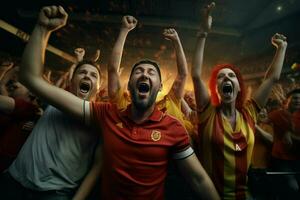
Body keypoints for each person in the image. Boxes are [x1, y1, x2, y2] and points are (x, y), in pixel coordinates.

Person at [17, 5, 220, 200]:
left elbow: (199, 179)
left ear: (159, 87)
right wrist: (42, 29)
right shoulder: (107, 114)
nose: (144, 74)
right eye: (138, 71)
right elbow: (31, 78)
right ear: (129, 85)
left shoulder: (173, 127)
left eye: (151, 73)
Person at [0, 8, 103, 200]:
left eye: (93, 75)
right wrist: (42, 29)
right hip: (12, 183)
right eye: (83, 72)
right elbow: (30, 76)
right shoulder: (55, 100)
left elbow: (98, 166)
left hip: (53, 195)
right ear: (72, 81)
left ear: (99, 86)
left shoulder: (100, 116)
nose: (87, 76)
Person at [191, 2, 287, 199]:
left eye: (231, 76)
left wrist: (281, 49)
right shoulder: (208, 112)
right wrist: (202, 33)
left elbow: (272, 78)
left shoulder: (249, 112)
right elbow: (196, 75)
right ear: (216, 88)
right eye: (221, 76)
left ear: (239, 86)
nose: (226, 78)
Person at [0, 66, 41, 172]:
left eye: (17, 87)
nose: (14, 85)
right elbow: (2, 84)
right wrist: (12, 69)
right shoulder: (16, 103)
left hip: (4, 159)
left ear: (31, 94)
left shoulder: (28, 107)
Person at [268, 88, 300, 199]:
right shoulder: (278, 114)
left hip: (297, 159)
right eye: (295, 98)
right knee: (293, 188)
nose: (298, 101)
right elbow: (263, 120)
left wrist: (290, 134)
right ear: (288, 100)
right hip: (281, 159)